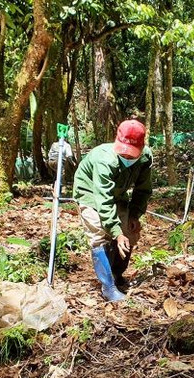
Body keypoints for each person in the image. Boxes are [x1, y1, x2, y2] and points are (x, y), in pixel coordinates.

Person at [73, 119, 152, 302]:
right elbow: (103, 199)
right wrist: (115, 232)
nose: (128, 158)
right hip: (91, 193)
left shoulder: (145, 159)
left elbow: (143, 190)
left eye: (133, 155)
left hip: (118, 194)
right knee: (101, 234)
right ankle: (108, 286)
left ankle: (116, 275)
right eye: (124, 154)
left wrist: (134, 215)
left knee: (129, 234)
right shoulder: (104, 159)